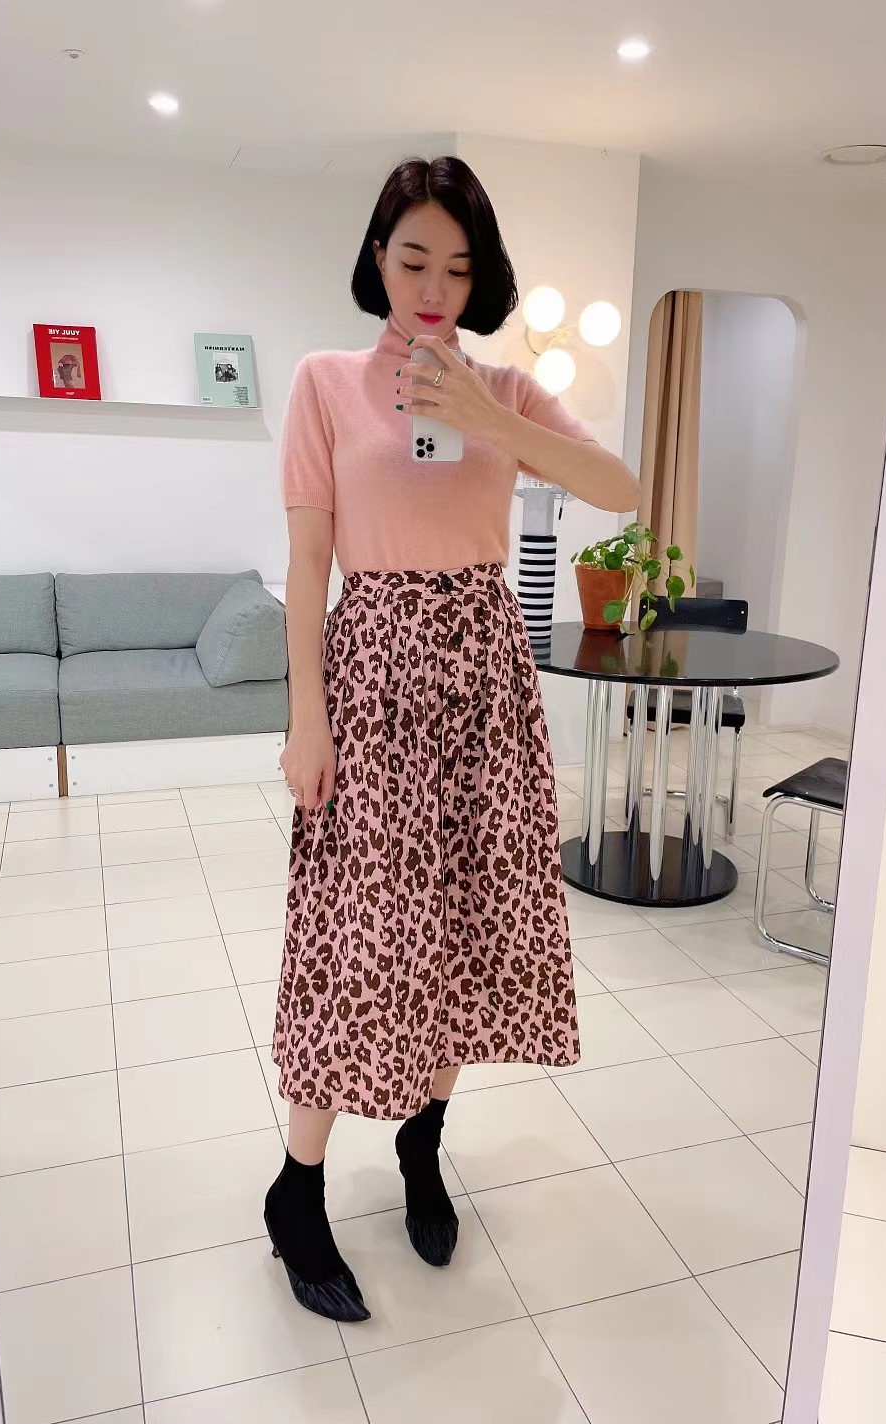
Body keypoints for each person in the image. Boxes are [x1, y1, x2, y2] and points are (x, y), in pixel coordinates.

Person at [267, 155, 641, 1322]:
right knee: (360, 938)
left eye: (459, 267)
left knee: (468, 927)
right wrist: (306, 717)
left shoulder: (509, 391)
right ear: (378, 258)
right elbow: (308, 565)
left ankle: (423, 1145)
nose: (434, 287)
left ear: (482, 281)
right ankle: (297, 1186)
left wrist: (487, 415)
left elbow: (623, 488)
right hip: (373, 678)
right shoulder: (327, 383)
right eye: (414, 258)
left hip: (485, 678)